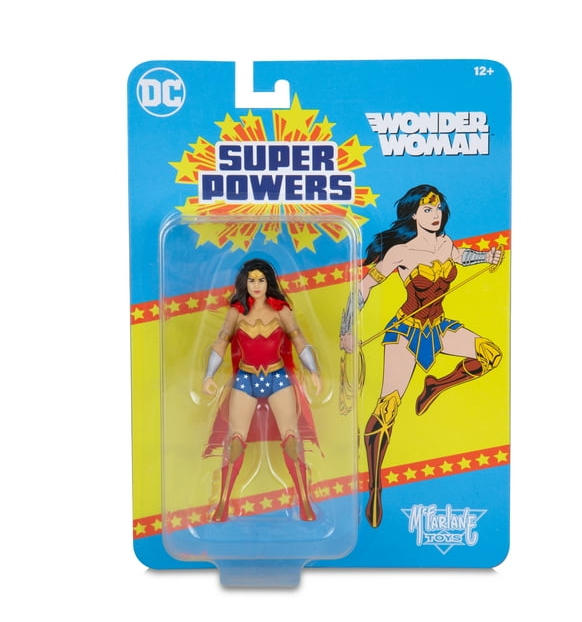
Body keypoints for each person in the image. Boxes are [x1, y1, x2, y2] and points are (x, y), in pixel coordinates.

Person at [340, 184, 502, 527]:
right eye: (427, 209)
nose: (434, 214)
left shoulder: (445, 243)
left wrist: (486, 257)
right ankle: (374, 488)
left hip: (439, 326)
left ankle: (436, 385)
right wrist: (347, 329)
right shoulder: (401, 253)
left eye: (438, 208)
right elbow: (364, 286)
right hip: (406, 332)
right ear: (413, 214)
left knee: (490, 355)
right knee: (387, 408)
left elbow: (460, 257)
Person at [202, 258, 322, 522]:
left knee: (291, 442)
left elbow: (298, 339)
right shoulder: (236, 312)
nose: (256, 285)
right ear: (245, 283)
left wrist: (313, 370)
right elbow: (221, 341)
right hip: (245, 379)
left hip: (278, 377)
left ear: (269, 282)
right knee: (235, 443)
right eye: (251, 280)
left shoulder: (281, 311)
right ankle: (223, 503)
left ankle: (304, 501)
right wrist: (209, 375)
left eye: (261, 280)